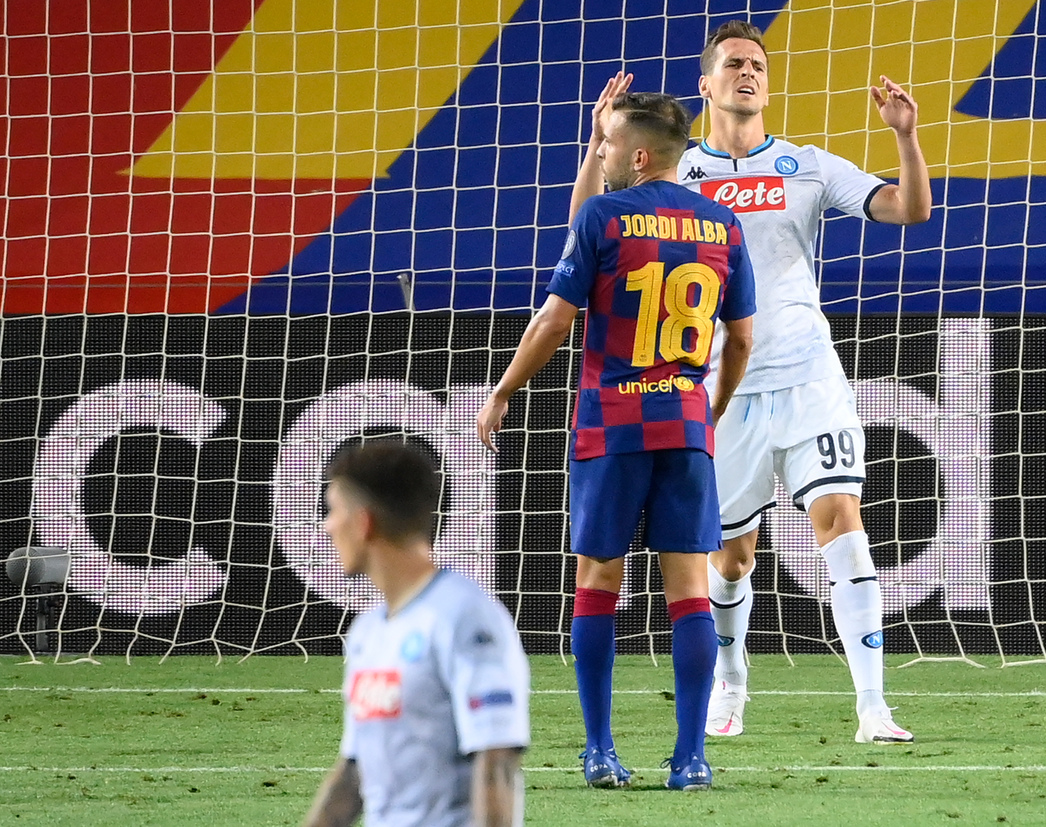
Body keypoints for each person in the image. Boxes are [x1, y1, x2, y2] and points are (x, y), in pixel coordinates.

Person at [570, 20, 931, 744]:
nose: (748, 72)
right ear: (705, 86)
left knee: (844, 527)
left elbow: (909, 208)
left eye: (757, 64)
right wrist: (594, 145)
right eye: (733, 63)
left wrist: (905, 136)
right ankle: (731, 685)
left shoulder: (808, 166)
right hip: (720, 386)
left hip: (808, 377)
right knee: (730, 557)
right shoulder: (679, 174)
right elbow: (588, 223)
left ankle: (873, 707)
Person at [477, 90, 756, 791]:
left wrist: (503, 389)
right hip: (686, 425)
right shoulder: (723, 223)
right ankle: (691, 758)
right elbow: (744, 337)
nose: (599, 158)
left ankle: (600, 749)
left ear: (636, 155)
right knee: (690, 585)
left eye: (605, 148)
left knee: (599, 578)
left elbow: (554, 321)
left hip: (612, 422)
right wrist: (709, 408)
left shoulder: (604, 215)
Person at [303, 441, 529, 827]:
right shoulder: (367, 632)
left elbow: (497, 761)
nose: (326, 527)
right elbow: (355, 772)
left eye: (333, 511)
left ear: (363, 522)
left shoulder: (465, 618)